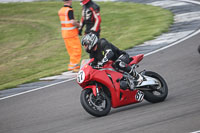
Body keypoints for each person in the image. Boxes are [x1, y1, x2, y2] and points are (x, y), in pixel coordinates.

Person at [58, 0, 82, 72]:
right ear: (70, 0)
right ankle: (74, 66)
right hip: (71, 34)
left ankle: (73, 65)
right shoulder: (69, 10)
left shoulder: (61, 10)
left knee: (71, 51)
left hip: (65, 33)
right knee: (76, 49)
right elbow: (72, 21)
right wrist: (79, 25)